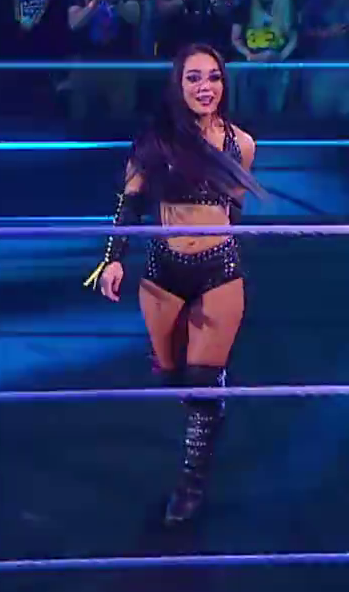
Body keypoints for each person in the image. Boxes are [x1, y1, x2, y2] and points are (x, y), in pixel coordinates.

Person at [86, 43, 259, 526]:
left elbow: (235, 208)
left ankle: (191, 484)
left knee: (203, 385)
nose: (206, 87)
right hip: (163, 269)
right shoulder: (155, 142)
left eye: (214, 77)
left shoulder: (241, 144)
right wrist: (112, 260)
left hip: (219, 268)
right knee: (170, 375)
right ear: (178, 85)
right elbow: (129, 203)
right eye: (194, 78)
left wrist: (230, 252)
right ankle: (191, 382)